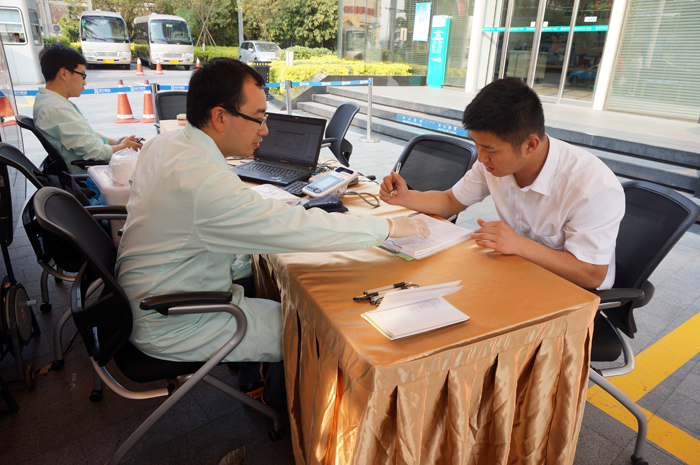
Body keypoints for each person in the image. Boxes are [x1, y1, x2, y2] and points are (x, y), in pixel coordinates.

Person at [115, 57, 429, 404]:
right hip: (176, 319)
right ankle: (280, 406)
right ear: (220, 117)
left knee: (278, 291)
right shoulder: (202, 181)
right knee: (318, 332)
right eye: (259, 118)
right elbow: (295, 228)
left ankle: (263, 383)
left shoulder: (165, 144)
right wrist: (387, 226)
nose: (264, 131)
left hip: (149, 297)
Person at [380, 77, 625, 291]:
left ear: (530, 145)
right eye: (476, 144)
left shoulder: (592, 188)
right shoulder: (494, 165)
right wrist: (406, 197)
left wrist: (519, 245)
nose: (481, 157)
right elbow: (450, 200)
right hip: (516, 271)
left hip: (569, 291)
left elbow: (592, 274)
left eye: (489, 149)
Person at [33, 44, 142, 174]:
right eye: (82, 75)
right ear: (64, 73)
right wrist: (123, 147)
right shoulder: (55, 109)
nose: (84, 82)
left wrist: (116, 142)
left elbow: (84, 134)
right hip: (90, 174)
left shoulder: (51, 101)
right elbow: (96, 152)